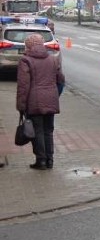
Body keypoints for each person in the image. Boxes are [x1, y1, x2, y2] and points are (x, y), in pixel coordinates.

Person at [16, 33, 66, 170]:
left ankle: (41, 161)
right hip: (51, 99)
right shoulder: (53, 59)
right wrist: (55, 95)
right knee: (48, 130)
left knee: (37, 131)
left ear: (28, 46)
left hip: (34, 101)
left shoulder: (25, 61)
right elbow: (61, 80)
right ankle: (50, 160)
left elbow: (23, 86)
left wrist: (21, 105)